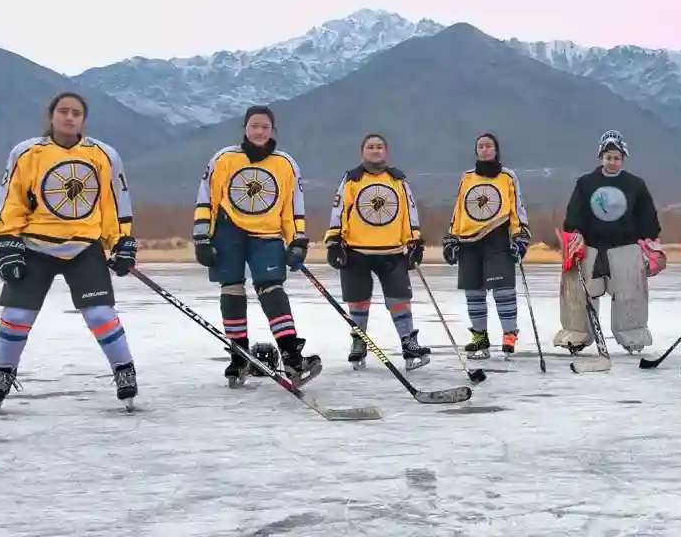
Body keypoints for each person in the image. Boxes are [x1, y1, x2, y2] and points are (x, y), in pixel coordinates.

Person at [0, 92, 139, 413]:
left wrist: (121, 242)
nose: (70, 117)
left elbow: (114, 203)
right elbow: (11, 200)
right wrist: (6, 242)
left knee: (100, 314)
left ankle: (124, 370)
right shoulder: (26, 153)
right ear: (51, 115)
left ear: (84, 120)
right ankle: (2, 374)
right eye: (64, 111)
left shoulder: (104, 155)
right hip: (34, 246)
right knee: (16, 316)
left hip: (84, 246)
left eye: (77, 113)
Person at [193, 105, 321, 388]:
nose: (259, 131)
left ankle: (290, 356)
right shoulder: (224, 159)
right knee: (232, 289)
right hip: (228, 233)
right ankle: (239, 357)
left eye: (265, 126)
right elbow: (207, 200)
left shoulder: (286, 164)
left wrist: (298, 240)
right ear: (245, 128)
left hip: (268, 235)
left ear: (272, 130)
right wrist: (201, 238)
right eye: (254, 125)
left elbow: (293, 207)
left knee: (272, 288)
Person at [323, 133, 431, 370]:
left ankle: (408, 342)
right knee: (358, 301)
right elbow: (339, 210)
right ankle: (359, 342)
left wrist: (414, 242)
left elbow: (409, 212)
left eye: (380, 146)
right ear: (362, 152)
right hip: (356, 252)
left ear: (386, 152)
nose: (375, 150)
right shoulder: (352, 179)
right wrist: (334, 240)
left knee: (400, 299)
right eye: (371, 147)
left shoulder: (398, 180)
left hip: (392, 252)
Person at [554, 130, 666, 355]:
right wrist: (574, 234)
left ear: (622, 158)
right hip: (590, 248)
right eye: (608, 157)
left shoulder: (636, 184)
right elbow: (575, 212)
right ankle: (576, 336)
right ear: (601, 158)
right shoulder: (586, 183)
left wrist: (650, 241)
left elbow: (647, 217)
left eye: (616, 157)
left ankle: (633, 337)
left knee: (630, 296)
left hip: (625, 248)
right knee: (580, 294)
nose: (612, 161)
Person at [441, 133, 530, 360]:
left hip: (497, 237)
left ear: (496, 149)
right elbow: (459, 209)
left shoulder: (507, 177)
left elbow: (517, 209)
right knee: (474, 292)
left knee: (504, 291)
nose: (485, 149)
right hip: (469, 241)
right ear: (476, 151)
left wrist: (520, 237)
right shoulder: (467, 177)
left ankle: (509, 335)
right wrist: (451, 237)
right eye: (480, 146)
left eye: (489, 145)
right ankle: (480, 337)